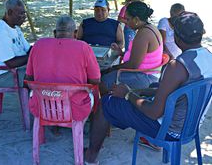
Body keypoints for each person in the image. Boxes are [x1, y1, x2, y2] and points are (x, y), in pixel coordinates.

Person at [84, 12, 212, 164]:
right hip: (191, 125)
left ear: (176, 38)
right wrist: (141, 92)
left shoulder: (177, 67)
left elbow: (153, 112)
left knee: (107, 102)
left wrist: (127, 94)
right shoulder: (207, 56)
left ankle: (90, 157)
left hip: (168, 130)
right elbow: (178, 92)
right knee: (151, 86)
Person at [100, 1, 163, 95]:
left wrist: (112, 68)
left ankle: (107, 105)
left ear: (136, 20)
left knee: (103, 81)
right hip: (148, 73)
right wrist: (121, 53)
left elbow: (133, 65)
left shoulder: (143, 34)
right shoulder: (150, 28)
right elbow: (140, 55)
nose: (125, 22)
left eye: (128, 19)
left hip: (145, 77)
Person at [25, 16, 100, 86]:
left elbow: (28, 78)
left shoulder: (38, 44)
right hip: (76, 99)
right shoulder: (84, 47)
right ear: (75, 33)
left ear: (55, 33)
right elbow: (95, 81)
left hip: (41, 98)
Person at [0, 0, 31, 88]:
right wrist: (33, 56)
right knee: (39, 77)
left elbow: (28, 49)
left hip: (16, 70)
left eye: (24, 13)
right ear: (9, 12)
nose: (24, 17)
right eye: (21, 13)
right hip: (1, 76)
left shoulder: (16, 29)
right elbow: (11, 63)